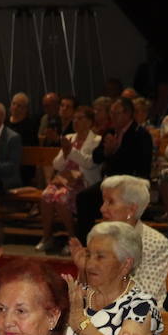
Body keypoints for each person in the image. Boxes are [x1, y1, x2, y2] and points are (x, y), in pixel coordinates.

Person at [62, 220, 162, 335]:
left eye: (100, 257)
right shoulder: (78, 296)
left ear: (125, 264)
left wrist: (79, 322)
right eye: (89, 255)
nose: (90, 264)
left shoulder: (141, 306)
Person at [82, 174, 168, 305]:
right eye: (103, 202)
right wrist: (82, 269)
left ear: (131, 209)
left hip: (140, 317)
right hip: (101, 309)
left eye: (110, 202)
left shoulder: (155, 242)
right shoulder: (99, 236)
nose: (102, 209)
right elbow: (88, 291)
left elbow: (145, 293)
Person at [80, 96, 153, 240]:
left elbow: (139, 164)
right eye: (111, 113)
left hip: (131, 182)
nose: (112, 116)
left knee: (114, 201)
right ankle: (86, 242)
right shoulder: (110, 132)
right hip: (109, 181)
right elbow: (96, 156)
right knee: (83, 197)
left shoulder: (140, 134)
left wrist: (115, 152)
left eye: (116, 113)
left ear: (127, 114)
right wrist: (107, 151)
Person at [38, 105, 101, 252]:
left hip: (83, 182)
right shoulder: (70, 138)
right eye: (74, 118)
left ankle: (73, 239)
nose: (76, 121)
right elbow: (57, 164)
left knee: (61, 198)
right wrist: (66, 153)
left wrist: (70, 150)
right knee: (46, 196)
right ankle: (46, 237)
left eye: (80, 118)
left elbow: (89, 163)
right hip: (64, 179)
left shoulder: (96, 140)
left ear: (90, 122)